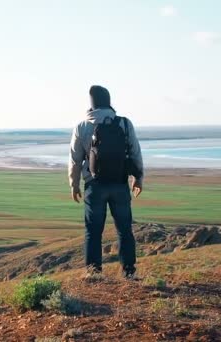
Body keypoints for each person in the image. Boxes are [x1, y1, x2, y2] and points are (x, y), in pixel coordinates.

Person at [68, 85, 144, 279]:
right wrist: (138, 179)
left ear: (91, 103)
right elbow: (135, 152)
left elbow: (75, 160)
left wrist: (74, 184)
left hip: (94, 186)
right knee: (124, 229)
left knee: (93, 232)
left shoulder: (82, 126)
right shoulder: (125, 124)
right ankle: (129, 272)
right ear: (109, 101)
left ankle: (93, 273)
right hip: (120, 184)